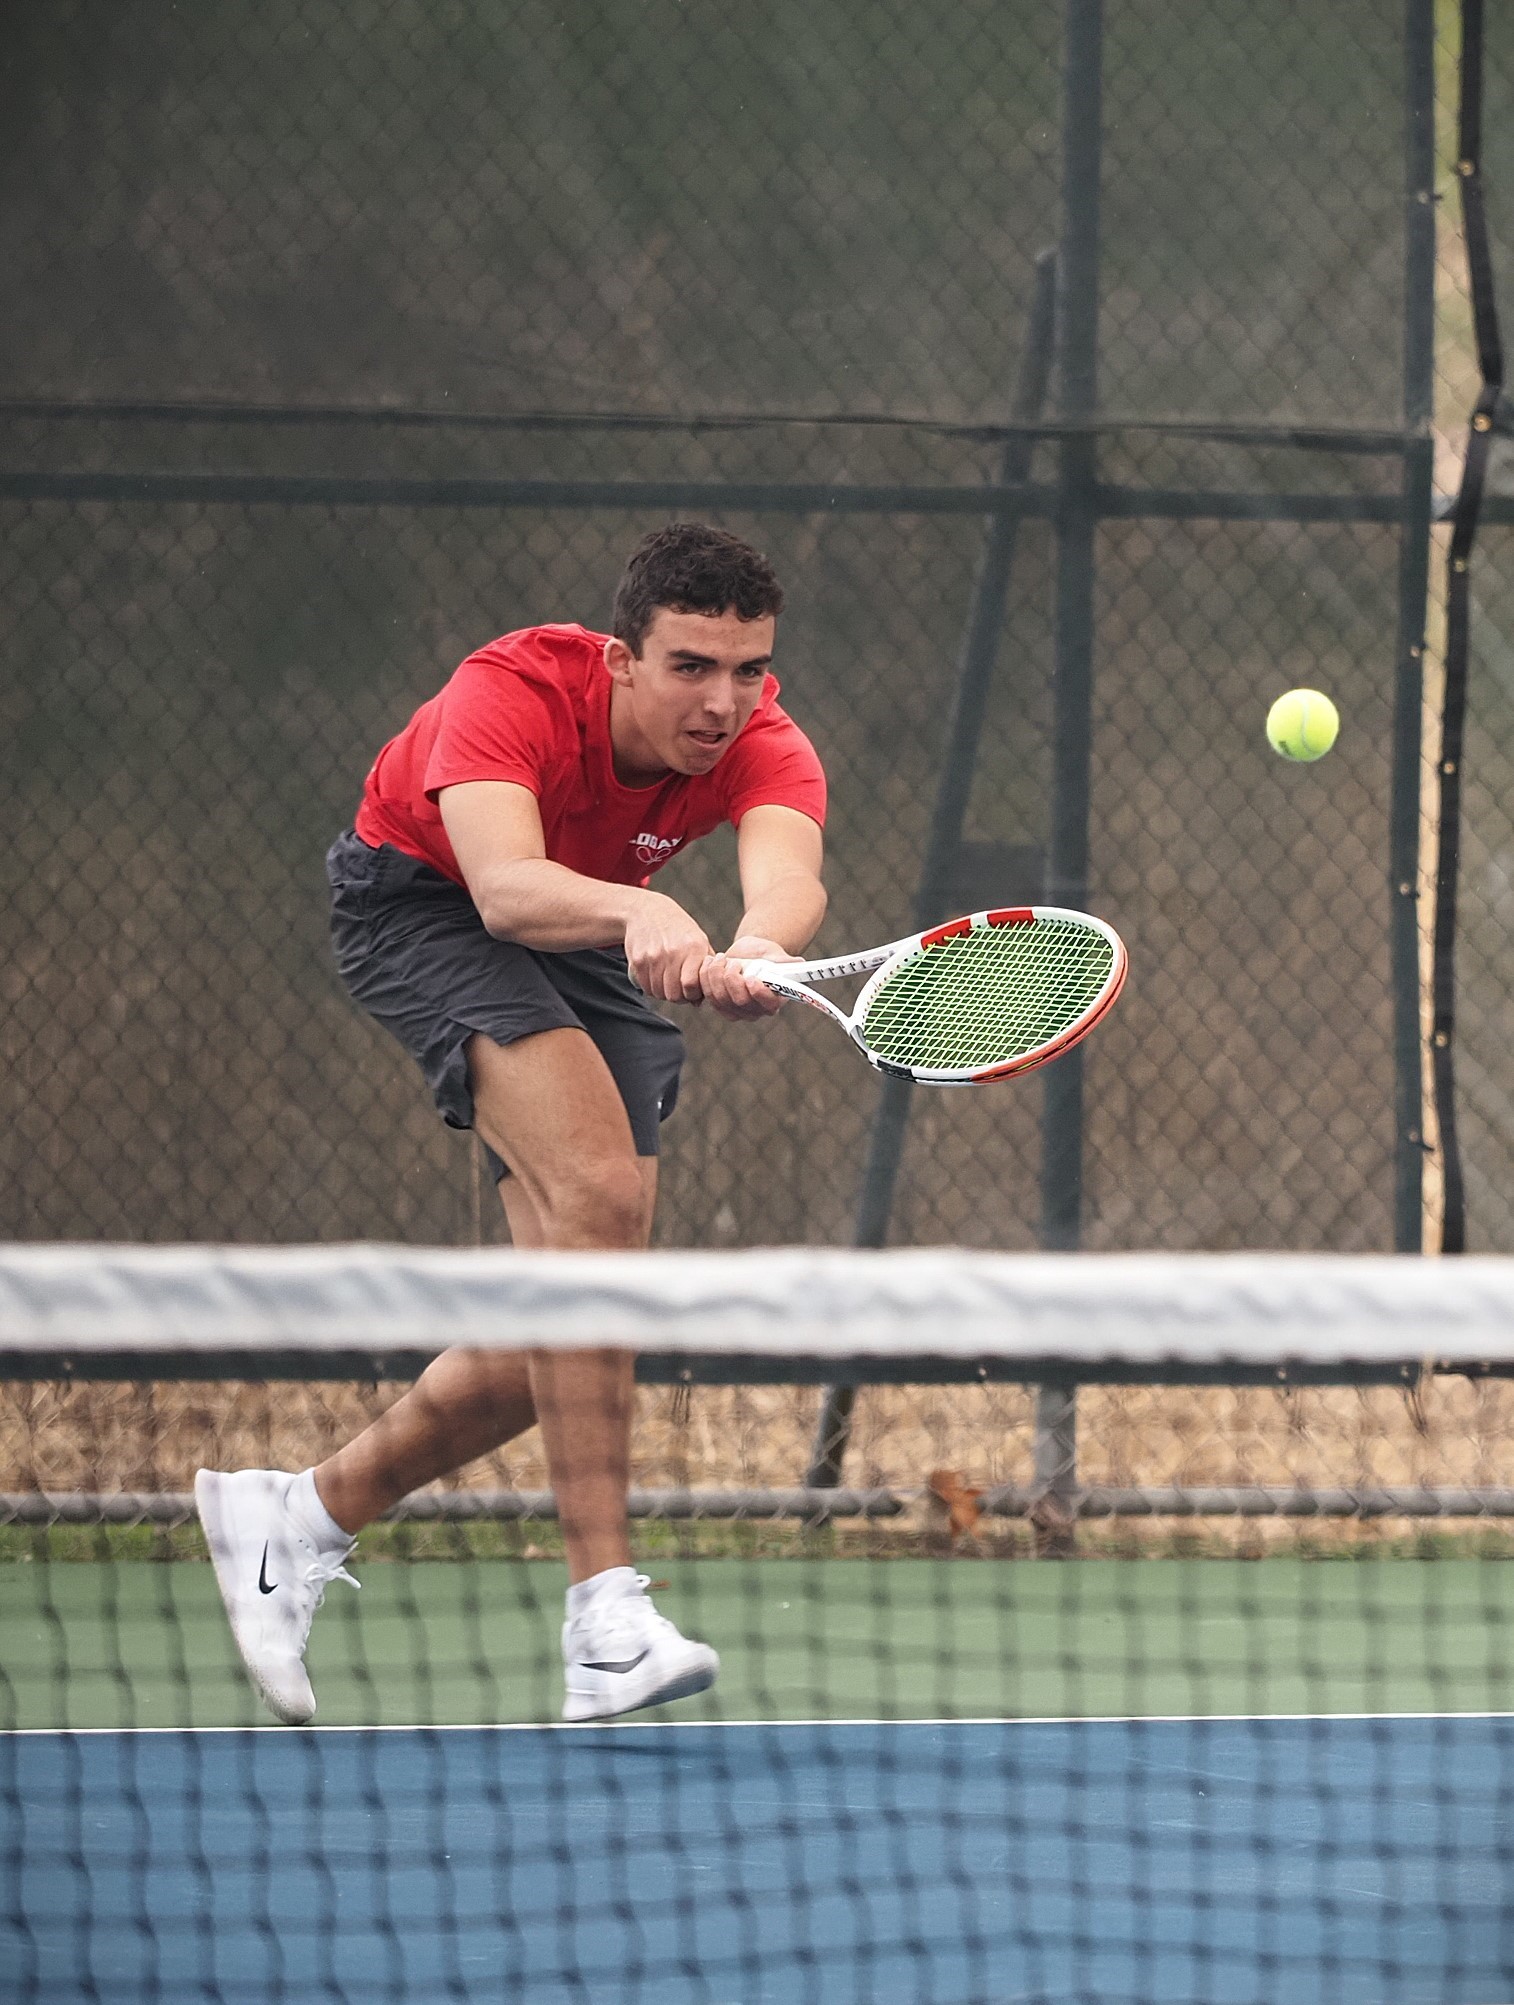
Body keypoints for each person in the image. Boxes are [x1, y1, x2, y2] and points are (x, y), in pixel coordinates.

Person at [195, 522, 828, 1726]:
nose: (722, 701)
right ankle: (603, 1617)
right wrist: (643, 913)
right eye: (691, 665)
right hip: (421, 903)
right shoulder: (512, 689)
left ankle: (298, 1517)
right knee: (597, 1199)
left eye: (747, 669)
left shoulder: (761, 736)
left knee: (587, 1288)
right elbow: (502, 885)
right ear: (619, 659)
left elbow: (788, 869)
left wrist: (757, 945)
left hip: (585, 930)